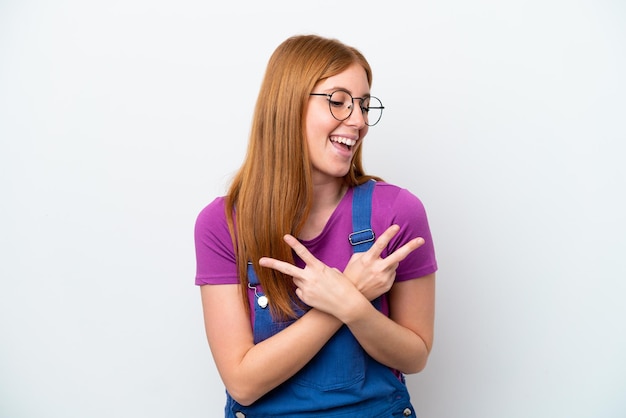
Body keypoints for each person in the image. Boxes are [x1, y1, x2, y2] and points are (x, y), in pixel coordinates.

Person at [194, 34, 437, 417]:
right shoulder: (222, 224)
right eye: (339, 102)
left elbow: (414, 355)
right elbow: (242, 381)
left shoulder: (397, 212)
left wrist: (354, 308)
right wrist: (347, 297)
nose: (357, 121)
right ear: (288, 105)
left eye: (362, 104)